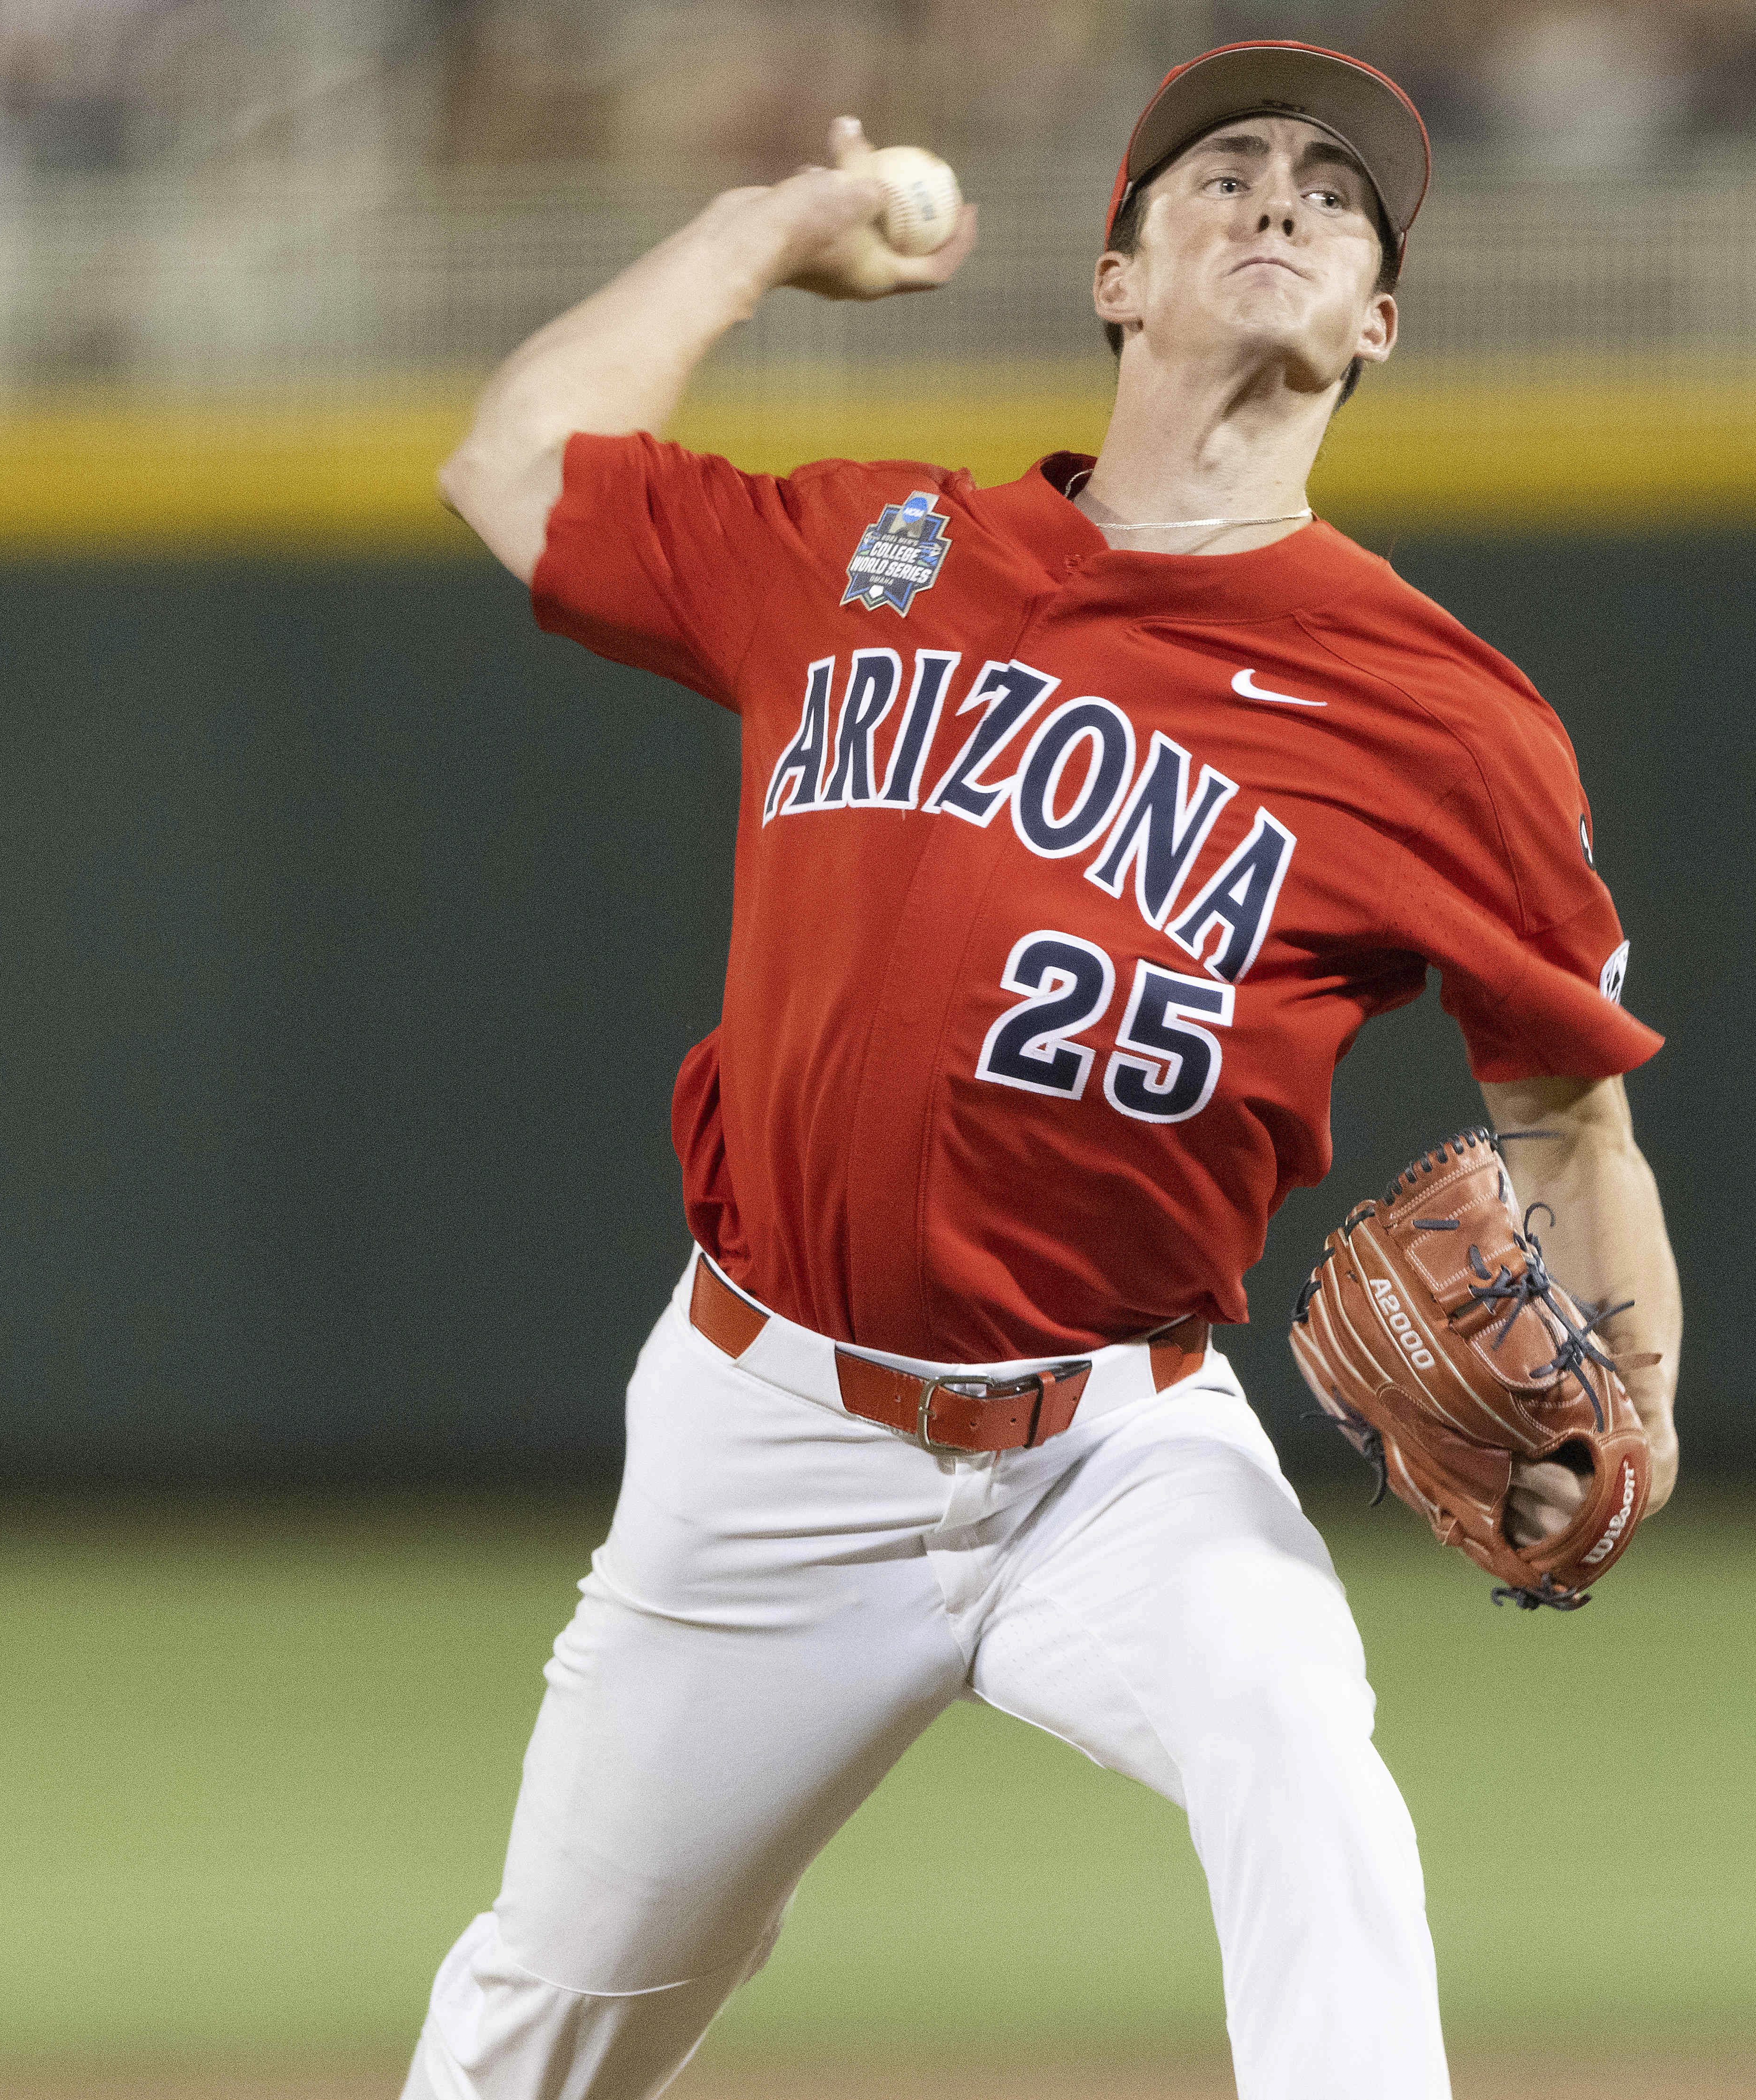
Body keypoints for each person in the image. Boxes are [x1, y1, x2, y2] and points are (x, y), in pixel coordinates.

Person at [402, 41, 1683, 2100]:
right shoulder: (863, 555)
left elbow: (1566, 1112)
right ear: (1117, 277)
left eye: (1332, 198)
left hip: (1116, 1449)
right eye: (1223, 174)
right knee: (552, 2014)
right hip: (765, 1434)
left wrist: (1639, 1417)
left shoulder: (1446, 719)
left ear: (1374, 323)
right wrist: (764, 232)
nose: (1277, 198)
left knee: (1296, 1745)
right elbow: (513, 463)